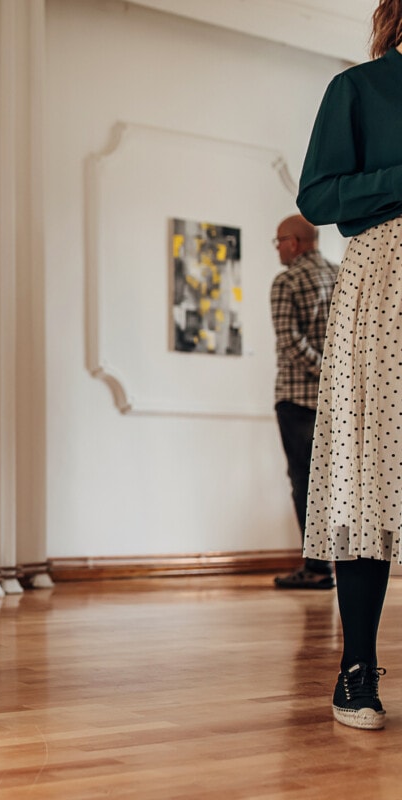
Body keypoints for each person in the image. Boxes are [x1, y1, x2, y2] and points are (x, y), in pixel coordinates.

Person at [296, 0, 402, 730]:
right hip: (384, 288)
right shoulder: (359, 90)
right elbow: (319, 196)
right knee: (369, 480)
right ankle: (356, 668)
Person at [269, 215, 338, 591]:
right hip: (337, 401)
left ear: (295, 242)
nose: (277, 247)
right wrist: (334, 375)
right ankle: (339, 561)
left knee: (304, 481)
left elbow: (290, 342)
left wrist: (321, 369)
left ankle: (316, 566)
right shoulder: (342, 274)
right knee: (336, 481)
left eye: (279, 240)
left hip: (297, 399)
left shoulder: (286, 281)